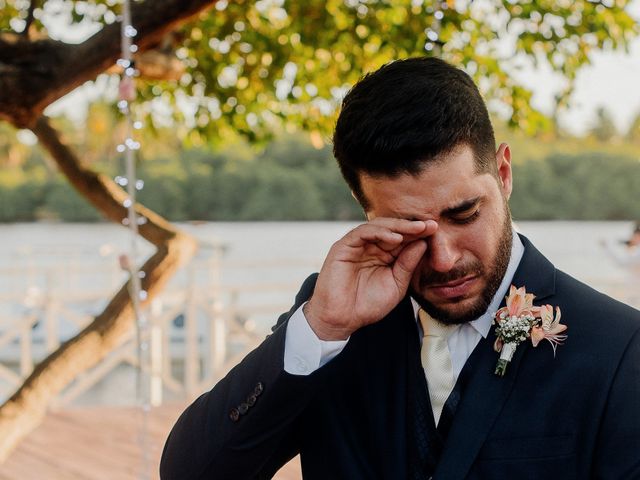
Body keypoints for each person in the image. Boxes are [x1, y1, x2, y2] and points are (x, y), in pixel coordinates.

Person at [160, 57, 640, 479]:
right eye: (409, 228)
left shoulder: (621, 348)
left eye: (464, 213)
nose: (444, 258)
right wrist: (320, 329)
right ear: (364, 210)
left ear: (504, 175)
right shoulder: (331, 325)